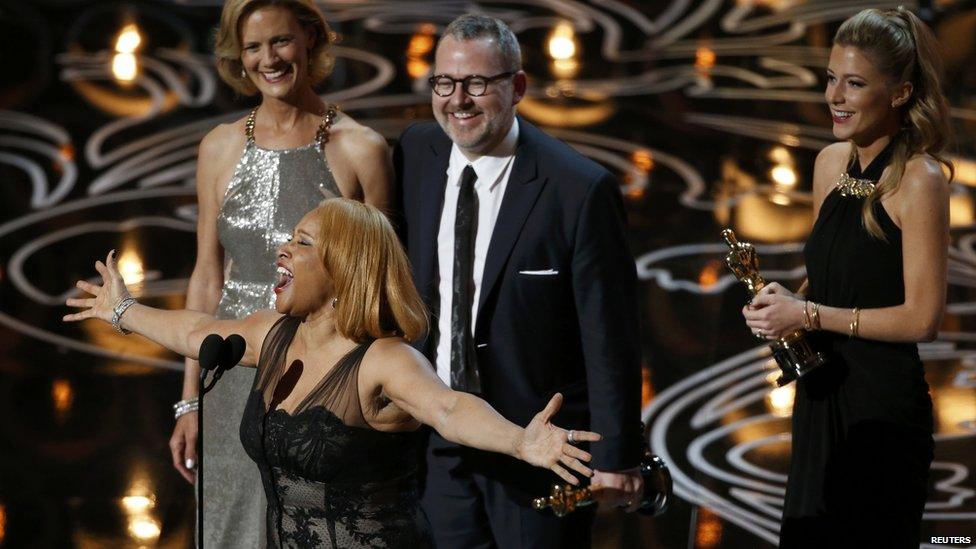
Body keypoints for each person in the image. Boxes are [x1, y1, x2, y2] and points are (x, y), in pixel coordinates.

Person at [65, 199, 597, 549]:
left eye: (303, 242)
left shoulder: (383, 359)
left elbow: (449, 408)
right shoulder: (271, 335)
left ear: (345, 267)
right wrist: (122, 312)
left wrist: (520, 441)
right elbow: (199, 329)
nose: (283, 248)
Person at [395, 14, 643, 549]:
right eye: (445, 83)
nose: (458, 100)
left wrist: (617, 456)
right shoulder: (416, 153)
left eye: (477, 84)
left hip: (542, 444)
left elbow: (611, 333)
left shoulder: (578, 189)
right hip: (439, 435)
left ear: (518, 88)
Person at [169, 0, 392, 545]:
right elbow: (207, 275)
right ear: (236, 56)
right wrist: (190, 398)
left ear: (311, 39)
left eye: (281, 41)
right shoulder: (218, 148)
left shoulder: (362, 149)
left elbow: (379, 288)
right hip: (228, 376)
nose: (268, 59)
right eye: (252, 46)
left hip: (315, 379)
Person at [741, 7, 952, 548]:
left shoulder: (920, 180)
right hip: (820, 398)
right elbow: (831, 278)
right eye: (831, 78)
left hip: (880, 414)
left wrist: (808, 314)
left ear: (900, 92)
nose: (834, 96)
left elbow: (922, 319)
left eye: (854, 83)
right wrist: (784, 303)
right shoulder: (831, 164)